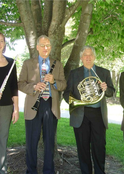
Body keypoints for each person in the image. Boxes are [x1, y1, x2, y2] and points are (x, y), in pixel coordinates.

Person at [18, 35, 66, 174]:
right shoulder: (28, 63)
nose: (46, 48)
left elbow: (63, 84)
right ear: (37, 47)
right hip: (34, 104)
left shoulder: (57, 64)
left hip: (51, 105)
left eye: (48, 45)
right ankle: (31, 171)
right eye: (43, 45)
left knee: (49, 142)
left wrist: (54, 82)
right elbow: (20, 84)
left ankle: (48, 171)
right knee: (31, 142)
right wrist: (33, 87)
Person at [63, 46, 115, 174]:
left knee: (99, 147)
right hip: (81, 113)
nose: (88, 57)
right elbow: (66, 93)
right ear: (81, 58)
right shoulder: (74, 73)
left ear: (94, 57)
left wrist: (105, 88)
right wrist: (75, 101)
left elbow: (111, 92)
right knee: (83, 148)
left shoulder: (104, 72)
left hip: (98, 114)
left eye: (90, 55)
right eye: (85, 55)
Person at [0, 32, 19, 173]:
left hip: (6, 107)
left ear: (4, 44)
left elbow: (14, 87)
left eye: (1, 40)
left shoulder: (11, 63)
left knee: (3, 138)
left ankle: (2, 168)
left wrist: (16, 109)